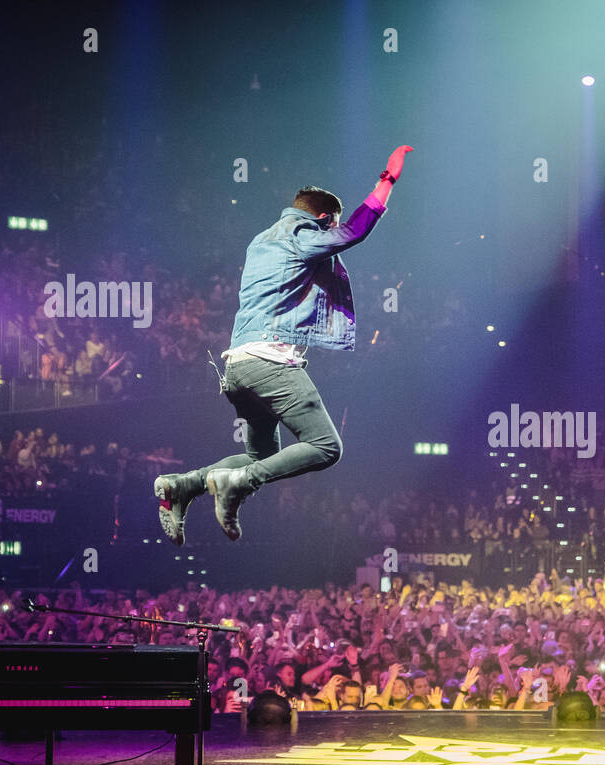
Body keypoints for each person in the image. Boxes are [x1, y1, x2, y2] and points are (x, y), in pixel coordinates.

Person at [153, 144, 414, 544]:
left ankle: (181, 487)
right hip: (270, 362)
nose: (329, 233)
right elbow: (354, 232)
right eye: (330, 224)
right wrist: (387, 182)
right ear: (322, 217)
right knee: (326, 447)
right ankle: (236, 484)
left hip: (239, 367)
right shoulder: (300, 235)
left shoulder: (261, 240)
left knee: (261, 455)